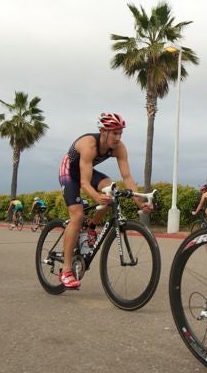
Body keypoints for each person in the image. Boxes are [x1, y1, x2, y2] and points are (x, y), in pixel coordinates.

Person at [57, 112, 152, 289]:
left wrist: (139, 201)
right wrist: (96, 196)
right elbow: (84, 183)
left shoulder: (119, 148)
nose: (118, 137)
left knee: (113, 191)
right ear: (103, 132)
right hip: (69, 172)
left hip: (86, 172)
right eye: (114, 133)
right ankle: (66, 270)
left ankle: (91, 227)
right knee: (77, 216)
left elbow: (127, 177)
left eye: (120, 133)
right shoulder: (89, 145)